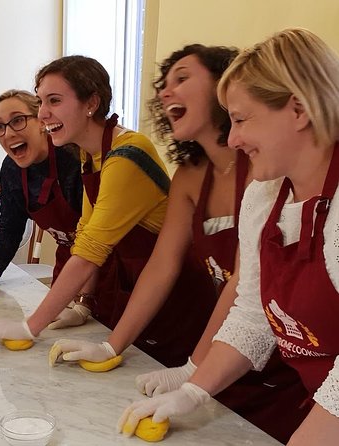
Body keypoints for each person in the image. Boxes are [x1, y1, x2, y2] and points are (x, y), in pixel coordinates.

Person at [49, 44, 309, 443]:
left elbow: (246, 286)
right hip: (228, 349)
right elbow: (161, 264)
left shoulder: (268, 170)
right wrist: (112, 345)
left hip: (284, 362)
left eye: (183, 78)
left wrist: (194, 370)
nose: (166, 92)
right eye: (163, 85)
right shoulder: (190, 176)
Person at [118, 28, 339, 446]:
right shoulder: (265, 195)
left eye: (241, 119)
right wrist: (194, 390)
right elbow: (254, 312)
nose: (233, 138)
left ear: (298, 110)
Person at [0, 55, 216, 368]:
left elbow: (87, 254)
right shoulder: (91, 156)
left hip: (177, 300)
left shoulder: (127, 155)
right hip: (135, 289)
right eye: (41, 102)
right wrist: (82, 304)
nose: (43, 113)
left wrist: (30, 327)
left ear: (91, 103)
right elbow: (83, 233)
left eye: (54, 101)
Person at [0, 90, 89, 322]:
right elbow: (10, 227)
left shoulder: (73, 158)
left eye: (18, 120)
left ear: (41, 120)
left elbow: (100, 240)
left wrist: (86, 302)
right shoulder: (11, 169)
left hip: (109, 270)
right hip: (68, 266)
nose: (8, 133)